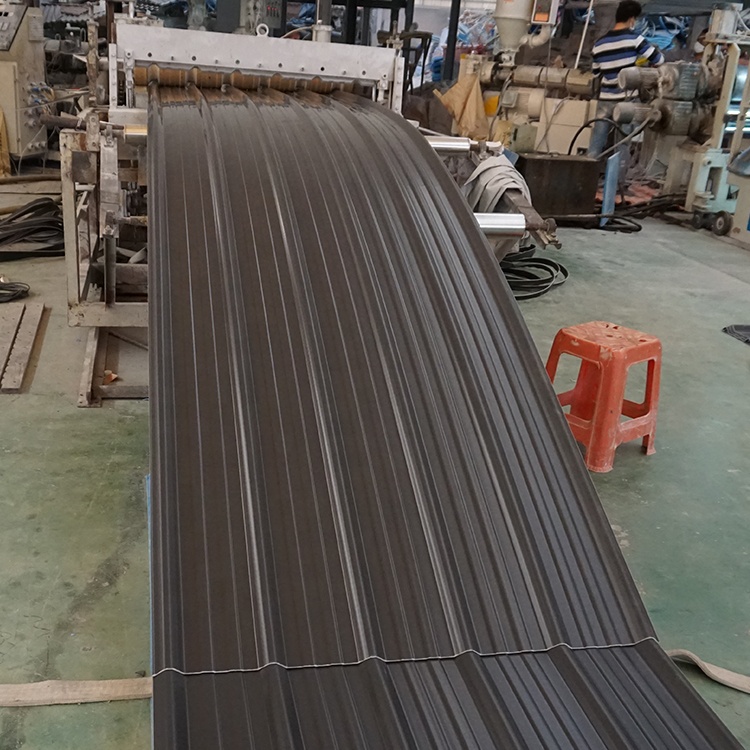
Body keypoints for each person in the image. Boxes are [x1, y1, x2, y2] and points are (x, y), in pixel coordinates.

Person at [587, 0, 664, 158]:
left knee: (597, 140)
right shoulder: (635, 39)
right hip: (627, 99)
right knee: (622, 143)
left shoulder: (599, 44)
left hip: (605, 98)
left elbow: (596, 73)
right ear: (631, 19)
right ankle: (617, 173)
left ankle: (587, 169)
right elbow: (659, 60)